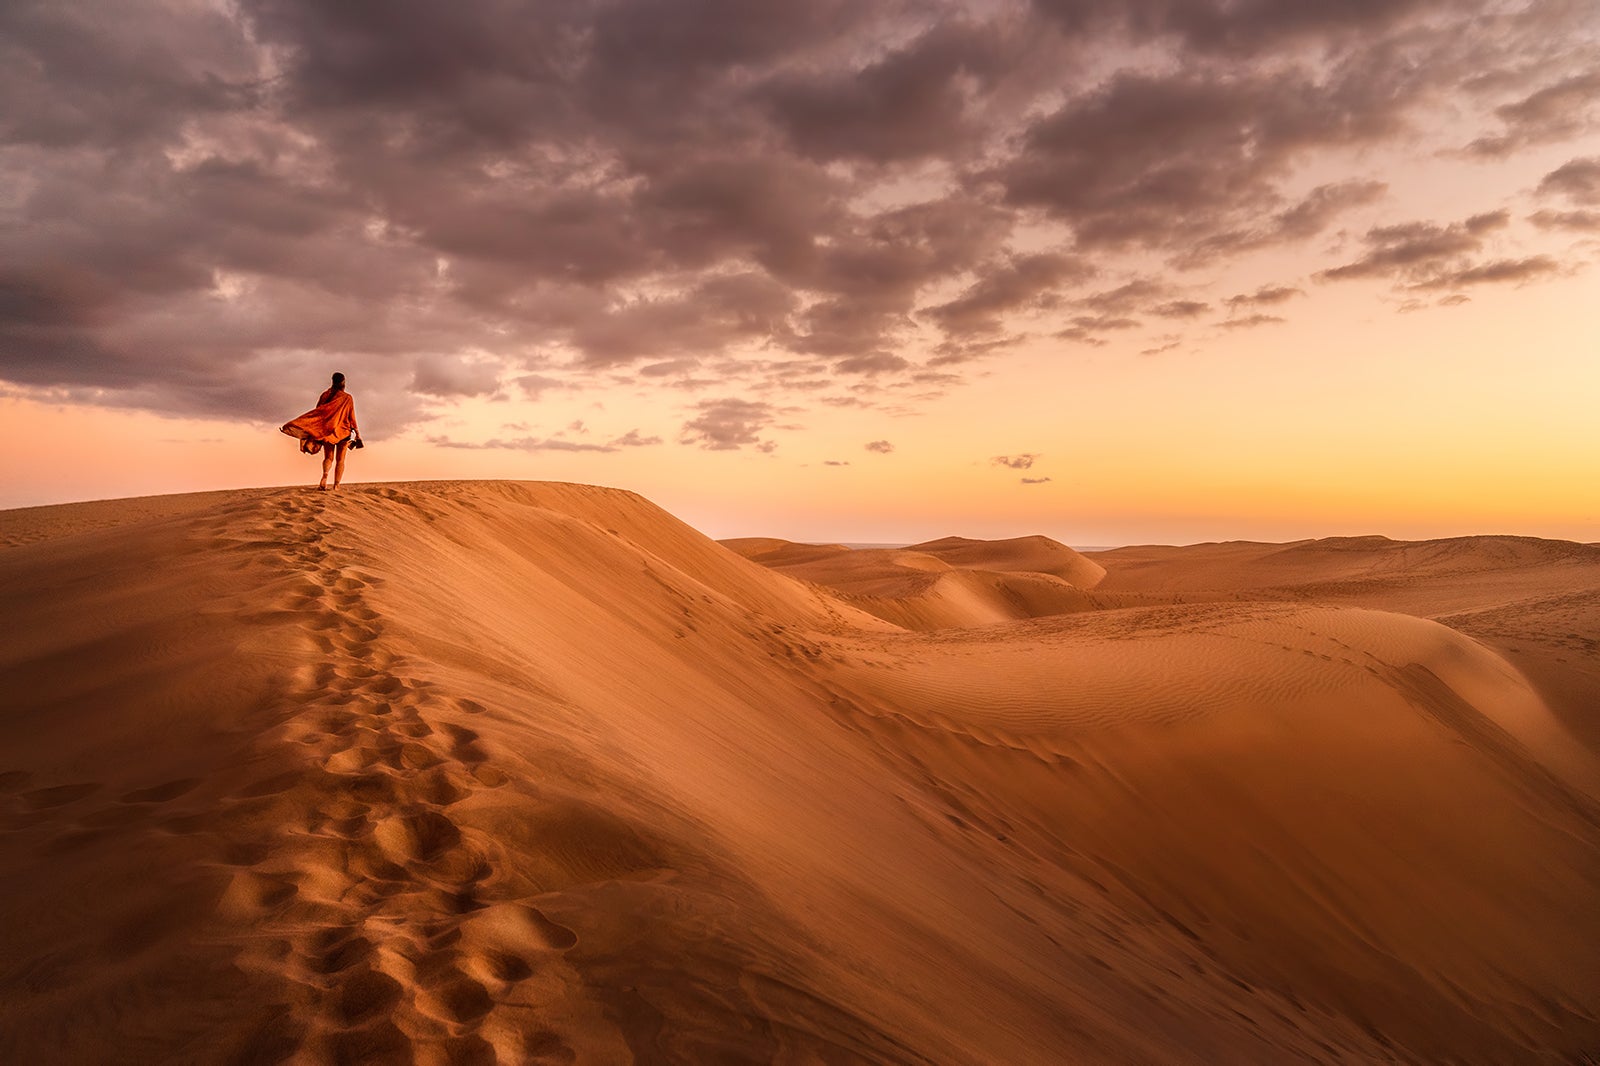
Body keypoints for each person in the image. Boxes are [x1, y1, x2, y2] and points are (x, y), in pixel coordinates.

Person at [280, 372, 362, 490]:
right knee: (340, 460)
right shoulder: (347, 398)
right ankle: (336, 485)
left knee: (328, 458)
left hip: (328, 432)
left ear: (332, 381)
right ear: (343, 383)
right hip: (343, 432)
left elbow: (318, 413)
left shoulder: (325, 395)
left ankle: (325, 476)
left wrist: (315, 428)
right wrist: (357, 434)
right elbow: (351, 417)